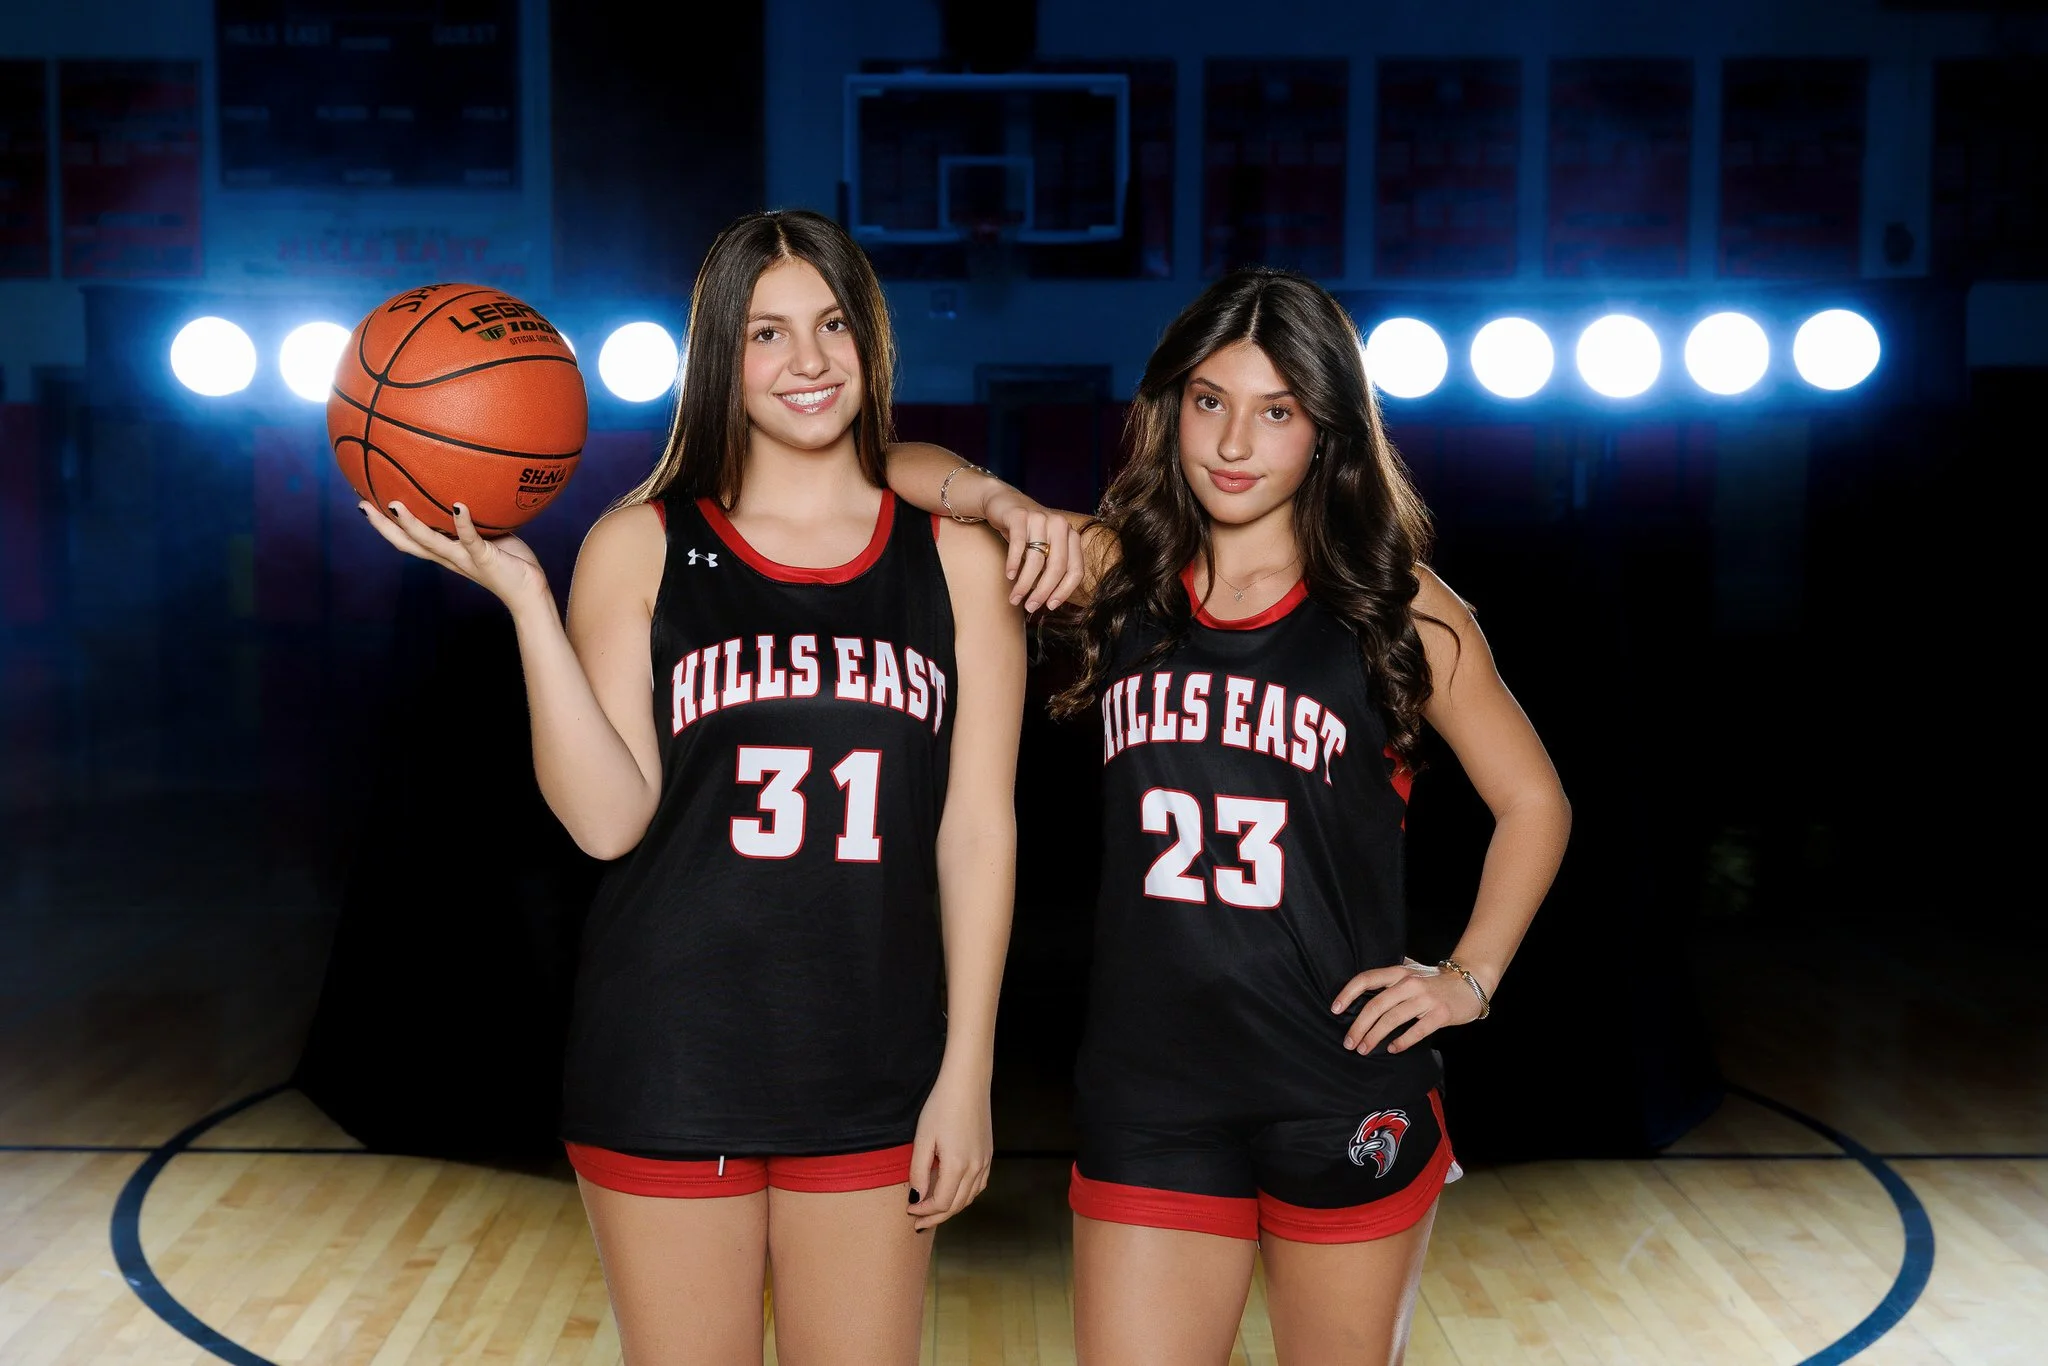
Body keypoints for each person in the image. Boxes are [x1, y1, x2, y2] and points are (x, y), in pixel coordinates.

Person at [361, 209, 1024, 1365]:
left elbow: (975, 831)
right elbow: (607, 819)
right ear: (720, 354)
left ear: (871, 341)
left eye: (830, 326)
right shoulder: (642, 545)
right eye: (766, 333)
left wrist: (965, 1073)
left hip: (873, 1067)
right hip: (668, 1055)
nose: (806, 361)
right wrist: (528, 604)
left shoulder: (957, 560)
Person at [888, 267, 1570, 1364]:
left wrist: (1467, 979)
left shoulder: (1398, 608)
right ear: (1167, 411)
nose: (1233, 441)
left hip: (1335, 1080)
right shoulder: (1114, 575)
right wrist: (1006, 502)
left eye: (1275, 410)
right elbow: (890, 470)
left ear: (1327, 431)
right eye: (1208, 401)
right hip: (1150, 1093)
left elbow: (1533, 799)